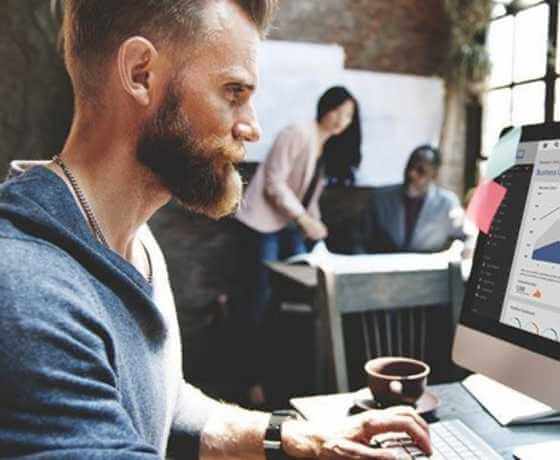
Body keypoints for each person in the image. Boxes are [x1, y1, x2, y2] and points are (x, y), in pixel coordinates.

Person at [0, 1, 430, 459]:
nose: (252, 127)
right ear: (141, 73)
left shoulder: (136, 240)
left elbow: (167, 408)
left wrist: (296, 437)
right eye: (233, 92)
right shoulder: (27, 288)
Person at [234, 86, 361, 405]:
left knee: (293, 300)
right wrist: (305, 220)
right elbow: (274, 184)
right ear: (326, 107)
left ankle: (282, 376)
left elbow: (309, 196)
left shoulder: (325, 146)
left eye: (349, 117)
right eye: (340, 112)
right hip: (263, 223)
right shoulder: (297, 132)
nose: (342, 121)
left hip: (288, 225)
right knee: (260, 300)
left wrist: (316, 227)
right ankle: (250, 381)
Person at [356, 145, 465, 254]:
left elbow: (466, 235)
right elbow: (360, 239)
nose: (411, 174)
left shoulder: (447, 203)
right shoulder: (381, 198)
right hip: (384, 265)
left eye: (420, 171)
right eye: (409, 167)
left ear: (434, 175)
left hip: (427, 267)